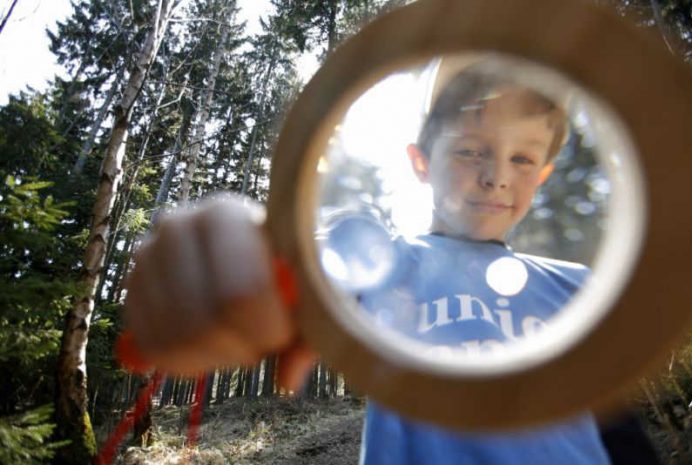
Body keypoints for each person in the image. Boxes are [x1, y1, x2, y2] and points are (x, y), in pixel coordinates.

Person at [125, 59, 612, 464]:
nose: (496, 177)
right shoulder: (384, 262)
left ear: (543, 175)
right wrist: (234, 254)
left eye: (523, 159)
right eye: (469, 150)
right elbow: (292, 273)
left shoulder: (581, 287)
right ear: (421, 163)